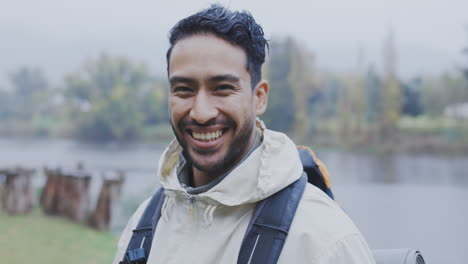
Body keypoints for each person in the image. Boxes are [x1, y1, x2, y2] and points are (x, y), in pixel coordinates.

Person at [113, 4, 376, 264]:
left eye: (222, 89)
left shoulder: (325, 242)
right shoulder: (143, 227)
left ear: (259, 97)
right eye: (184, 89)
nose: (201, 113)